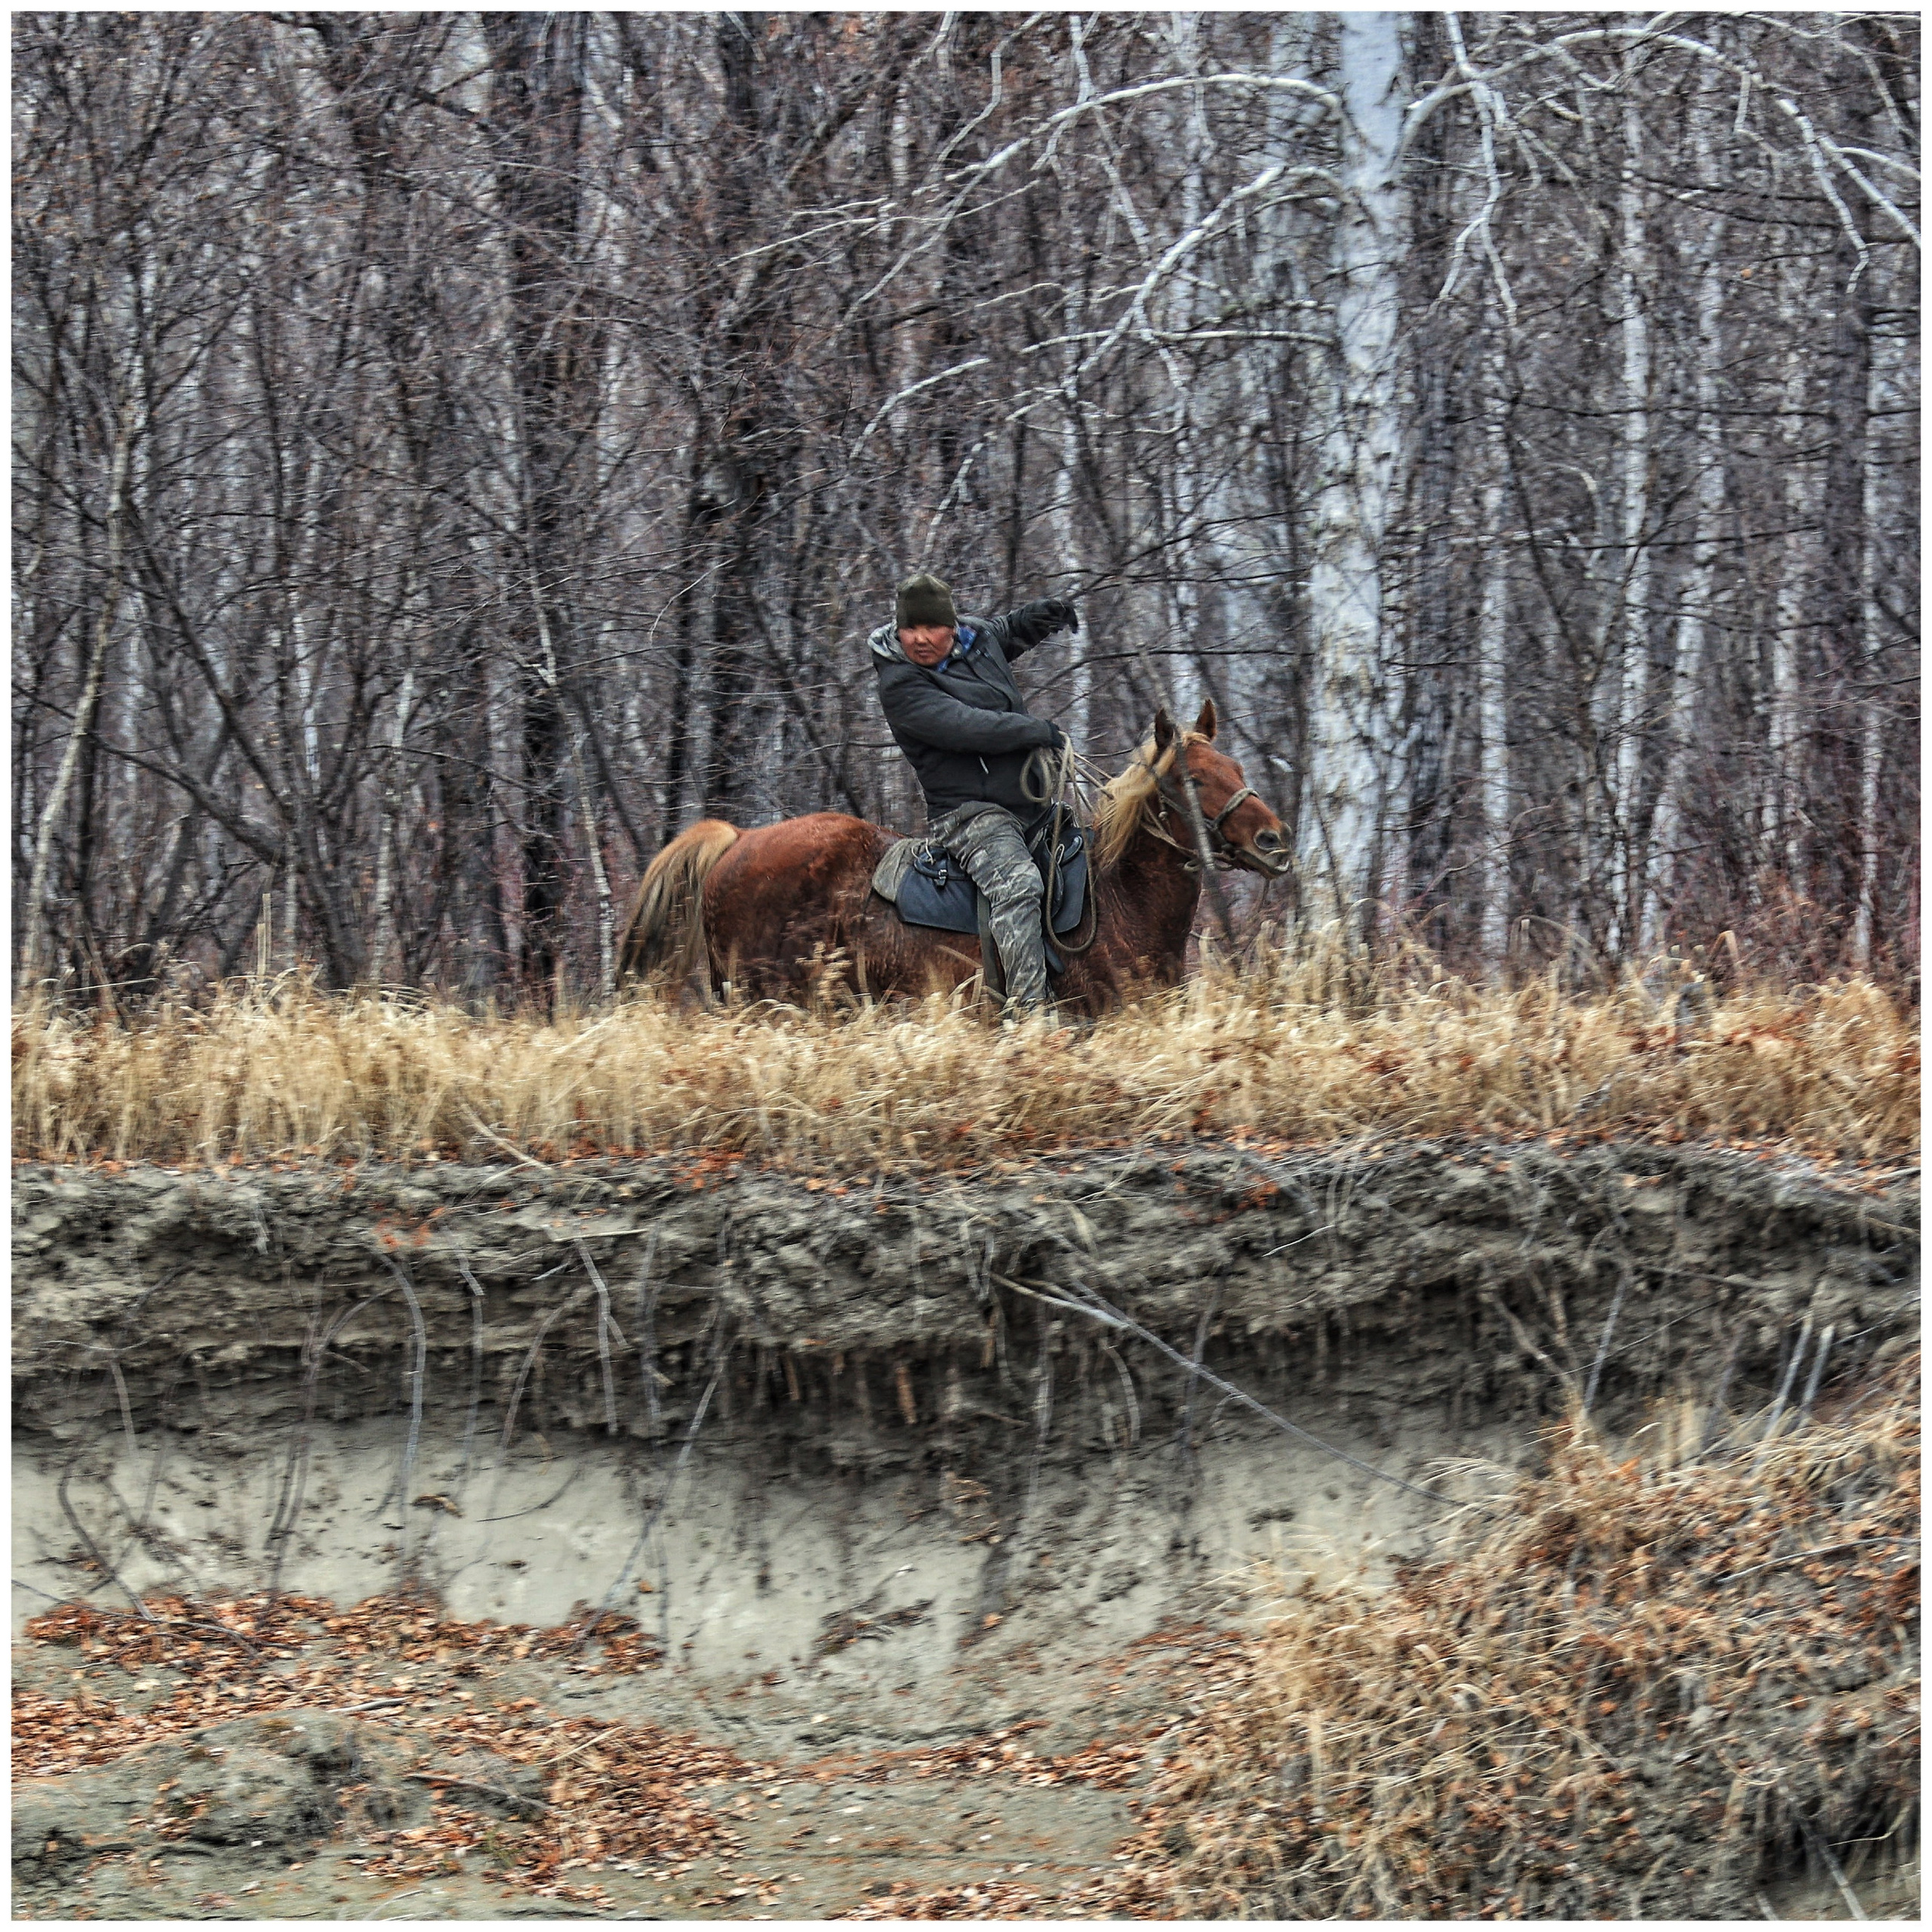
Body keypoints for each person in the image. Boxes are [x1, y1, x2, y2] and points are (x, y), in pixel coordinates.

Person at [869, 572, 1079, 1018]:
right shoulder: (900, 685)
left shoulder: (976, 639)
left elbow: (1005, 632)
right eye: (910, 628)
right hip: (971, 814)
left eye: (931, 627)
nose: (920, 639)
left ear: (952, 626)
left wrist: (1048, 614)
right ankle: (1030, 1018)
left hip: (1031, 804)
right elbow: (966, 726)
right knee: (1019, 886)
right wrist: (1036, 731)